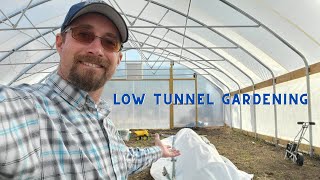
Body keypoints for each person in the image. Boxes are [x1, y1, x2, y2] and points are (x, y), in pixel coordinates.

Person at [0, 1, 180, 179]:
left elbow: (124, 159)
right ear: (60, 43)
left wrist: (158, 151)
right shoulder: (28, 110)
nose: (96, 49)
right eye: (84, 34)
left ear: (118, 59)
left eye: (110, 42)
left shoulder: (103, 120)